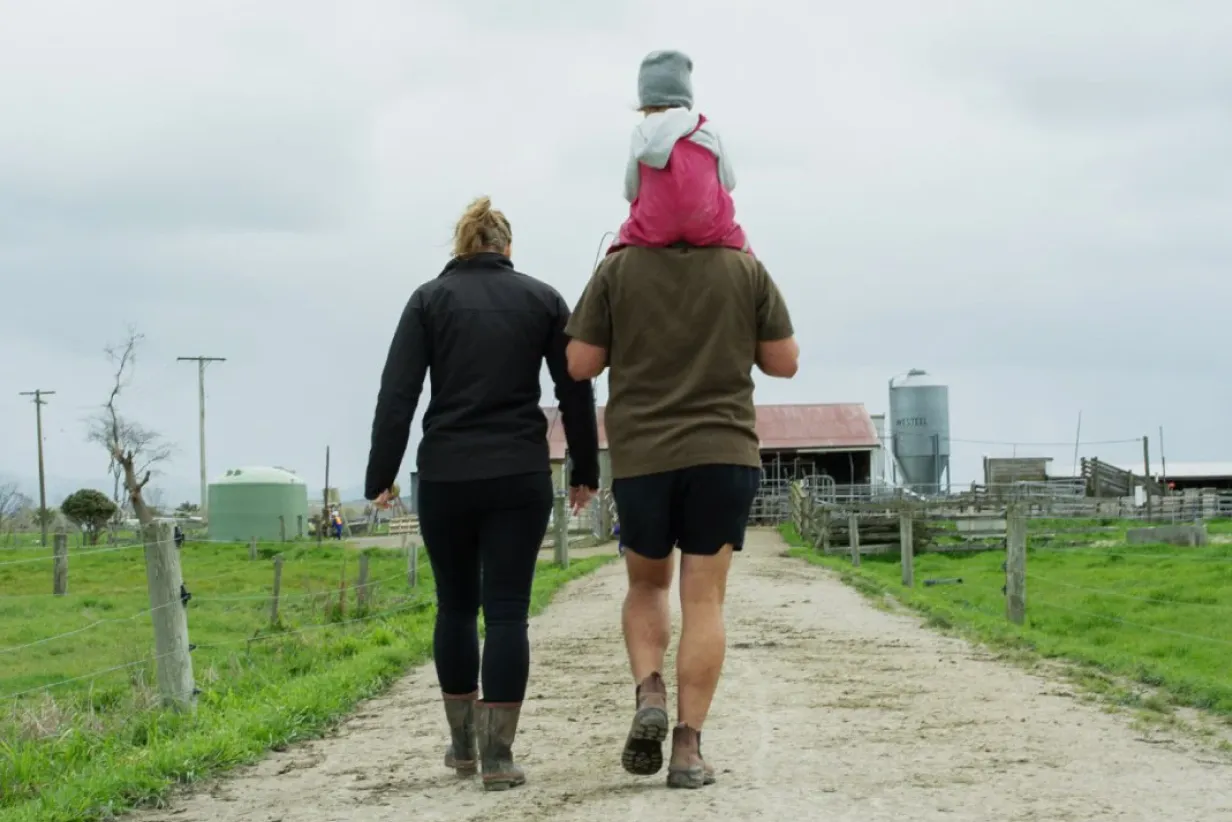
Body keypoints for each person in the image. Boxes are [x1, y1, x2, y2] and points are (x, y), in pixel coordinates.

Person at [364, 196, 600, 792]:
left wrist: (379, 475)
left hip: (445, 474)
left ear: (461, 246)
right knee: (506, 612)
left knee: (454, 607)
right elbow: (575, 388)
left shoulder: (428, 300)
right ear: (507, 248)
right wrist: (584, 470)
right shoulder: (542, 299)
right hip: (519, 474)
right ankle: (499, 757)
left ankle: (463, 746)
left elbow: (398, 393)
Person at [565, 243, 798, 788]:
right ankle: (688, 749)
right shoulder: (745, 267)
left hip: (644, 458)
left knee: (647, 586)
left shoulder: (617, 268)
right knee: (703, 599)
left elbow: (579, 362)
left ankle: (650, 690)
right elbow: (784, 361)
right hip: (723, 453)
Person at [613, 50, 749, 255]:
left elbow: (630, 191)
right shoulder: (706, 129)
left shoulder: (642, 134)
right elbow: (729, 182)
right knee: (748, 260)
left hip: (652, 230)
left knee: (613, 257)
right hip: (708, 227)